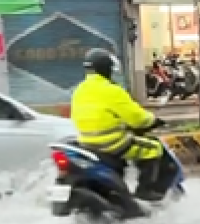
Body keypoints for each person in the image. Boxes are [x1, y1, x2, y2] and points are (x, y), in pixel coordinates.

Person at [71, 48, 171, 201]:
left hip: (86, 143)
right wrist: (153, 120)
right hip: (112, 143)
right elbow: (137, 118)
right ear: (106, 69)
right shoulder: (112, 90)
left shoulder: (79, 90)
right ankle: (145, 192)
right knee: (154, 148)